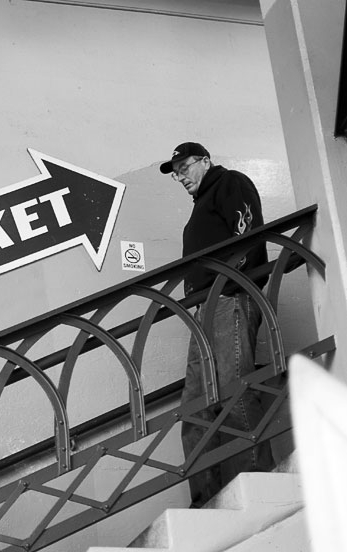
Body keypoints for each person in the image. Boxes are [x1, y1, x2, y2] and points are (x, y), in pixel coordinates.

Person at [160, 142, 275, 508]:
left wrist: (230, 284)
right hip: (204, 313)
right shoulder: (199, 209)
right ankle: (204, 502)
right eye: (175, 172)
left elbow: (248, 231)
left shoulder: (229, 183)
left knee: (232, 390)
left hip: (228, 301)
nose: (179, 176)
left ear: (205, 161)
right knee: (196, 405)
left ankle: (258, 482)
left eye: (184, 167)